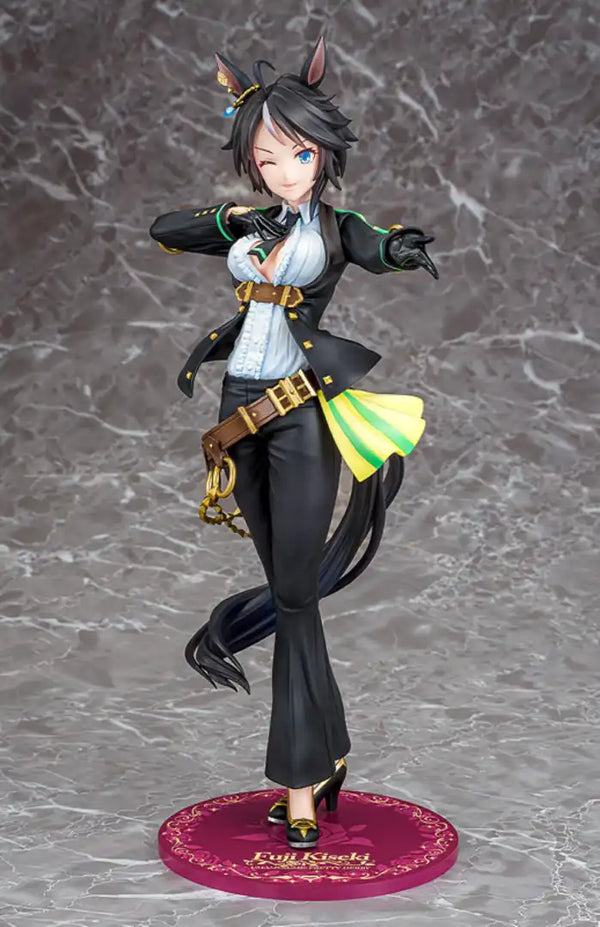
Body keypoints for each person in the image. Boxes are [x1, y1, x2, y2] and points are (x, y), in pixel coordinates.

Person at [149, 35, 438, 851]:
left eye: (299, 155)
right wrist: (231, 219)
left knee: (298, 596)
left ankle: (302, 781)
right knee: (289, 592)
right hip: (238, 414)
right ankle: (329, 747)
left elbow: (376, 243)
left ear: (324, 153)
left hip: (299, 412)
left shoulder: (333, 226)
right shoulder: (249, 221)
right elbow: (163, 229)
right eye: (267, 158)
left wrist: (402, 247)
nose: (284, 172)